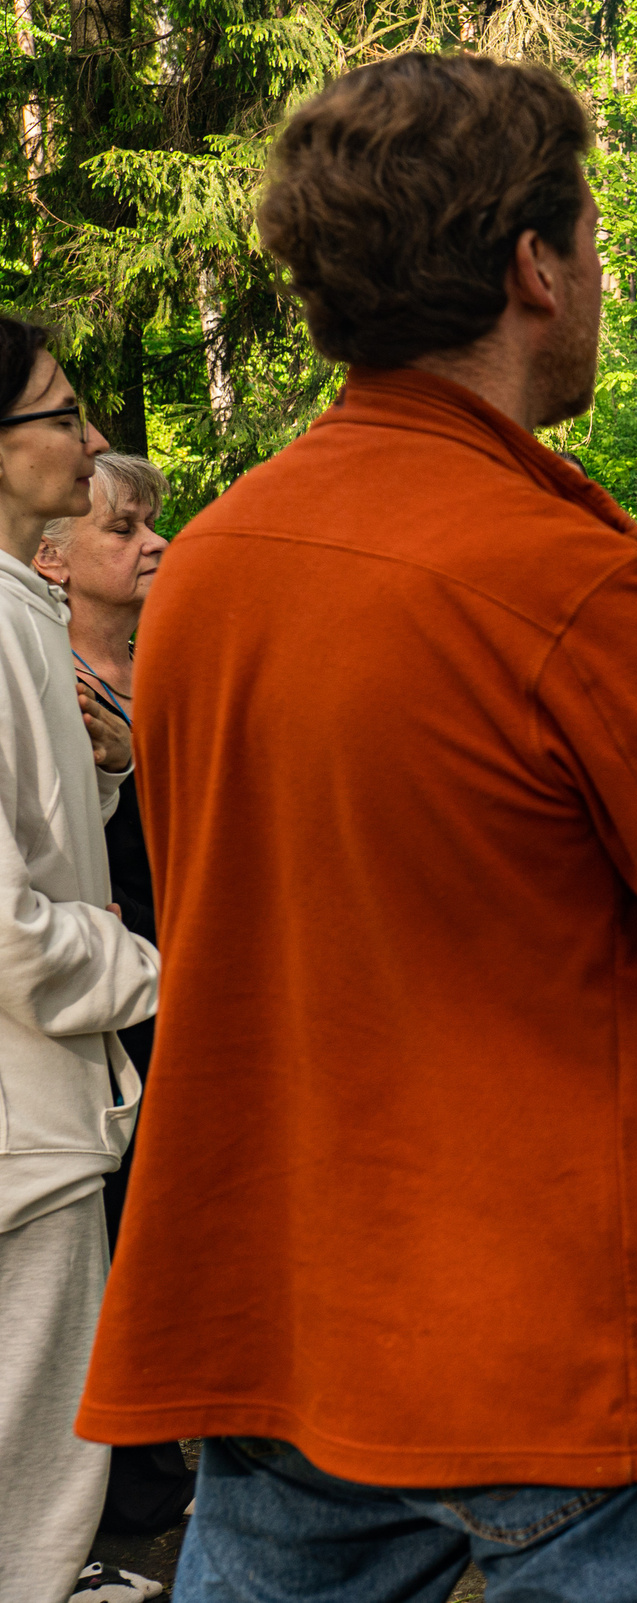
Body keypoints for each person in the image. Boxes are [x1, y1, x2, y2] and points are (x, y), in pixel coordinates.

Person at [74, 54, 637, 1603]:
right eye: (590, 242)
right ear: (531, 268)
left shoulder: (217, 567)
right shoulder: (568, 578)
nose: (598, 277)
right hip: (573, 1345)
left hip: (285, 1316)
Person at [0, 321, 163, 1603]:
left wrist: (99, 781)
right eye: (62, 414)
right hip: (21, 1128)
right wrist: (167, 976)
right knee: (29, 1498)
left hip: (50, 1106)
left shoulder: (22, 612)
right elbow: (7, 924)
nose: (91, 436)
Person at [31, 452, 196, 1540]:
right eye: (124, 530)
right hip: (106, 985)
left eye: (154, 527)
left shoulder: (177, 665)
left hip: (195, 970)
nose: (154, 546)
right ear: (52, 555)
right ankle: (118, 1477)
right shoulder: (40, 681)